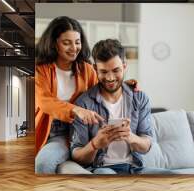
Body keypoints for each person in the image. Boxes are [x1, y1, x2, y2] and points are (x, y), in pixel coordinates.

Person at [35, 17, 137, 174]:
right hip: (46, 128)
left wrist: (123, 84)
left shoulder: (87, 69)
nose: (74, 47)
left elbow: (102, 86)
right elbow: (44, 101)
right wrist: (76, 109)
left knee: (43, 163)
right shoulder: (41, 69)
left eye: (77, 41)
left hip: (71, 132)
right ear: (54, 43)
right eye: (66, 42)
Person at [70, 39, 172, 174]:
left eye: (116, 70)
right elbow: (77, 155)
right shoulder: (83, 104)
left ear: (124, 66)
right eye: (104, 72)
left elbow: (147, 145)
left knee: (171, 177)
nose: (110, 78)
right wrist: (95, 144)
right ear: (95, 69)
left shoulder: (140, 98)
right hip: (102, 169)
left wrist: (131, 137)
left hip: (135, 168)